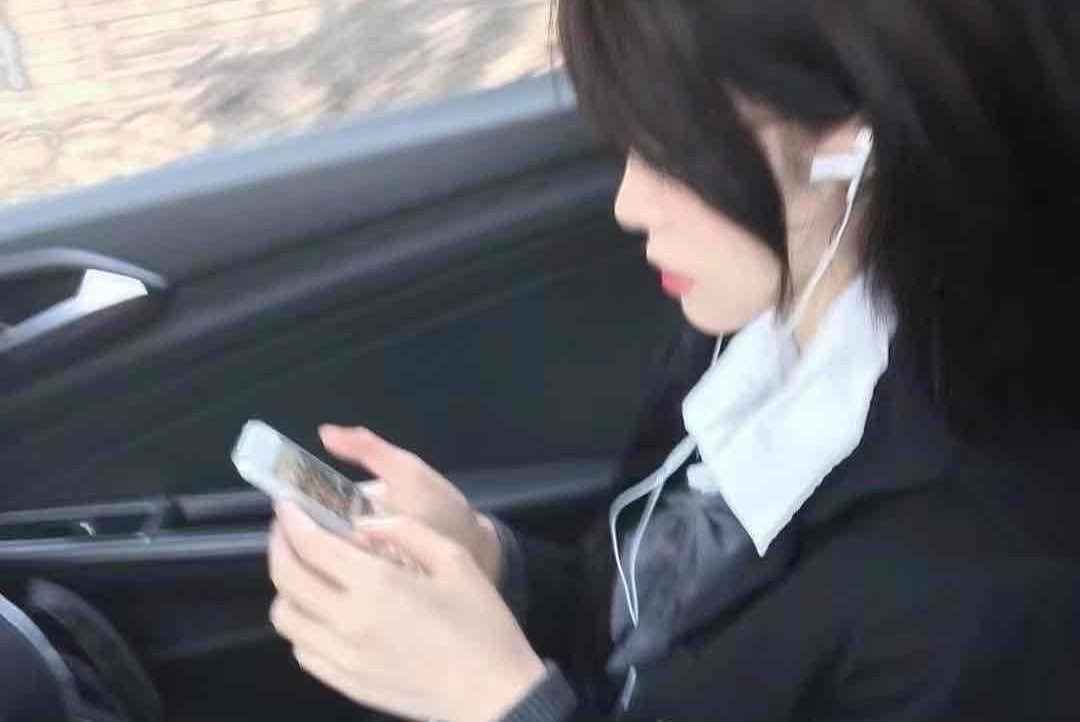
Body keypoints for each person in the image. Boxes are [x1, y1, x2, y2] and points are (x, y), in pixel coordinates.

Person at [264, 1, 1080, 720]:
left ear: (854, 142)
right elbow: (648, 630)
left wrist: (495, 702)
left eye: (673, 155)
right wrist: (492, 563)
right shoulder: (762, 325)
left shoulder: (989, 591)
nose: (628, 204)